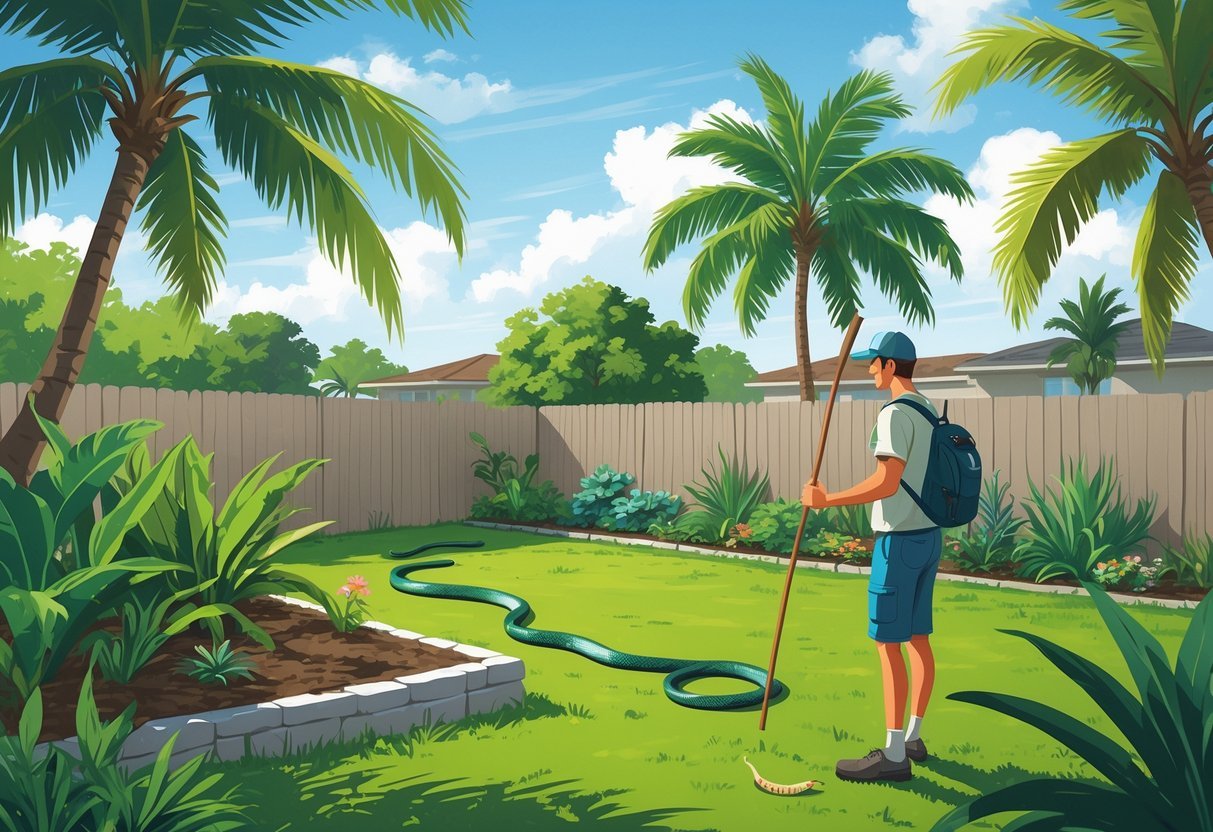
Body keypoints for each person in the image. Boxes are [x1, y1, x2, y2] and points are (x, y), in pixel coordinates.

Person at [801, 330, 941, 784]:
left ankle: (895, 754)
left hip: (898, 541)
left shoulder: (895, 414)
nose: (869, 371)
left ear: (890, 365)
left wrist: (827, 500)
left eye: (873, 364)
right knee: (918, 639)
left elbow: (886, 482)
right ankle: (915, 737)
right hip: (928, 537)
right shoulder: (928, 410)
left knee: (889, 645)